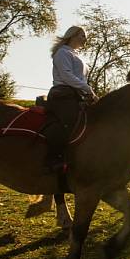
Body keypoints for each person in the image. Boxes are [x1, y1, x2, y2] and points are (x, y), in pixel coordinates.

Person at [44, 26, 96, 172]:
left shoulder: (76, 55)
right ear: (72, 36)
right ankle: (54, 159)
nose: (85, 39)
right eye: (82, 35)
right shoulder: (62, 53)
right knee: (70, 120)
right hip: (62, 95)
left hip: (76, 95)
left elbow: (80, 79)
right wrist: (87, 89)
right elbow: (67, 76)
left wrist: (88, 93)